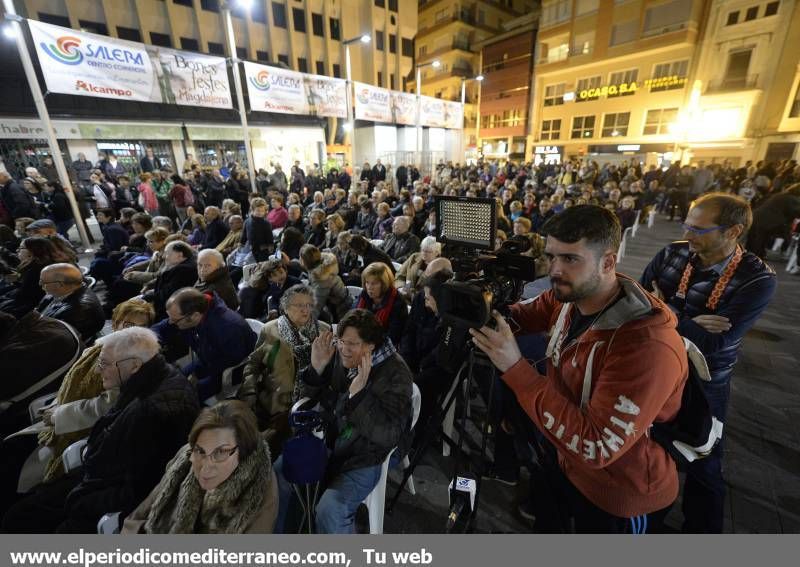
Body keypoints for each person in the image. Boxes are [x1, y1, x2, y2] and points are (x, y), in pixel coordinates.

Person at [470, 205, 689, 533]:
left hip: (619, 491)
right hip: (560, 460)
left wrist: (515, 367)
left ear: (608, 262)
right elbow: (522, 315)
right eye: (551, 256)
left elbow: (597, 446)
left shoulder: (645, 346)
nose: (555, 270)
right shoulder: (569, 296)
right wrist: (477, 306)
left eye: (570, 259)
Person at [640, 193, 777, 533]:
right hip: (658, 365)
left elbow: (716, 342)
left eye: (699, 229)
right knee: (654, 448)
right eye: (687, 224)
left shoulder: (757, 279)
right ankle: (650, 521)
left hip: (706, 377)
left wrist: (666, 311)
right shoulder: (672, 253)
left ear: (733, 231)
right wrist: (685, 320)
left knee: (704, 458)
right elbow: (636, 305)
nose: (688, 234)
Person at [1, 327, 200, 533]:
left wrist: (80, 501)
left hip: (99, 499)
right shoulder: (150, 379)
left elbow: (138, 490)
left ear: (134, 366)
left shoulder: (154, 412)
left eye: (104, 363)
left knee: (18, 520)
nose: (97, 370)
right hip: (96, 478)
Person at [0, 299, 155, 517]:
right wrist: (55, 407)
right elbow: (69, 385)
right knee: (11, 448)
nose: (134, 332)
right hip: (59, 416)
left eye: (141, 327)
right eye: (128, 325)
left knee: (14, 463)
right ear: (116, 322)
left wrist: (59, 414)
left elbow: (106, 405)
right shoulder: (102, 345)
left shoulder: (132, 361)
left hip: (77, 429)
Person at [273, 309, 412, 533]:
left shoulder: (397, 374)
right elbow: (313, 402)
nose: (344, 350)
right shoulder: (343, 356)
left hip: (369, 455)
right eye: (341, 341)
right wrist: (316, 370)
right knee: (279, 474)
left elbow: (388, 435)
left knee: (331, 509)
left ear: (371, 346)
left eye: (353, 344)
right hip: (333, 440)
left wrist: (358, 397)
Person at [122, 401, 277, 534]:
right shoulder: (185, 459)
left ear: (243, 452)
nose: (205, 468)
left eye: (220, 452)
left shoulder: (260, 490)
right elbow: (136, 519)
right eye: (200, 451)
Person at [240, 285, 330, 448]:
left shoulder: (324, 331)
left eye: (309, 305)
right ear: (286, 307)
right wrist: (249, 391)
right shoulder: (270, 330)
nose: (305, 310)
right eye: (299, 305)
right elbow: (253, 363)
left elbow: (329, 376)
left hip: (306, 406)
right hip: (270, 402)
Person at [153, 288, 257, 402]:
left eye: (175, 320)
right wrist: (150, 339)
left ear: (195, 316)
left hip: (229, 369)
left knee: (186, 396)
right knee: (173, 379)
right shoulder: (191, 312)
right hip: (207, 359)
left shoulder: (228, 327)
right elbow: (162, 327)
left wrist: (196, 375)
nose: (171, 322)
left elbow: (232, 360)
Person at [37, 263, 104, 343]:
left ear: (60, 285)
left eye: (43, 282)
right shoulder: (59, 293)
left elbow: (51, 341)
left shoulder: (79, 311)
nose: (40, 285)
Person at [0, 236, 59, 317]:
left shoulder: (36, 271)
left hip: (27, 313)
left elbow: (25, 299)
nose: (17, 250)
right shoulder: (40, 266)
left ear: (32, 252)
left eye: (21, 248)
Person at [355, 262, 408, 346]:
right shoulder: (364, 294)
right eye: (367, 282)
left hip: (383, 346)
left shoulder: (397, 302)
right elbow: (353, 317)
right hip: (361, 340)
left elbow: (393, 336)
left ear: (384, 284)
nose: (369, 287)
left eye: (374, 283)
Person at [143, 240, 198, 320]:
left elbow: (167, 294)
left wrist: (145, 297)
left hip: (168, 314)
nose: (164, 256)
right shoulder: (183, 266)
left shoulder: (183, 270)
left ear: (180, 255)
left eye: (167, 253)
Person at [745, 184, 800, 260]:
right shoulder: (793, 199)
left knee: (754, 240)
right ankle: (753, 260)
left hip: (758, 216)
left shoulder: (782, 195)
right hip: (767, 221)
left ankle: (751, 257)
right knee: (758, 241)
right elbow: (796, 212)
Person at [300, 244, 350, 322]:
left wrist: (303, 322)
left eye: (300, 257)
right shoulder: (319, 266)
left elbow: (316, 308)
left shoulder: (322, 280)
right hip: (333, 304)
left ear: (304, 261)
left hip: (341, 311)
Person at [395, 235, 441, 300]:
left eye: (428, 251)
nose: (424, 253)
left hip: (421, 302)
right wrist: (401, 287)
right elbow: (400, 276)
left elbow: (433, 293)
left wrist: (412, 295)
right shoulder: (414, 257)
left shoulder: (440, 266)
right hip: (403, 296)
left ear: (437, 253)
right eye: (422, 250)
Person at [241, 198, 274, 262]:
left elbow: (270, 238)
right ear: (252, 210)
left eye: (262, 211)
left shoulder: (266, 223)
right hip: (250, 249)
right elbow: (244, 235)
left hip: (262, 250)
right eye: (258, 210)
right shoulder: (247, 221)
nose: (260, 213)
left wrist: (270, 248)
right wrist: (241, 243)